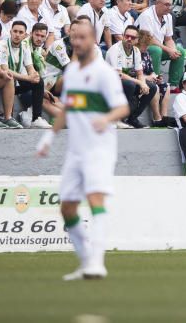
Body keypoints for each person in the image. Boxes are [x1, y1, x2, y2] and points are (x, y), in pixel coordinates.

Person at [35, 19, 131, 280]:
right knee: (67, 208)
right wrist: (49, 137)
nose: (77, 42)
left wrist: (106, 118)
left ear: (92, 40)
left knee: (95, 200)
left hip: (99, 149)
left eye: (82, 38)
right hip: (75, 151)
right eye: (74, 37)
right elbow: (67, 108)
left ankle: (97, 262)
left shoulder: (104, 73)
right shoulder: (72, 73)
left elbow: (123, 108)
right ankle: (86, 260)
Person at [106, 24, 157, 128]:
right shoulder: (115, 49)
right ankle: (118, 118)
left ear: (137, 40)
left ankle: (132, 118)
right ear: (123, 36)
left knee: (151, 87)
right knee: (130, 85)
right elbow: (119, 75)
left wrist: (143, 84)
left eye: (132, 37)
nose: (129, 39)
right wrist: (139, 82)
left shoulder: (136, 51)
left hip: (126, 83)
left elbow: (139, 73)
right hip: (109, 84)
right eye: (127, 36)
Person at [135, 0, 185, 90]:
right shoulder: (147, 15)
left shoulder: (169, 17)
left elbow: (168, 38)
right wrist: (168, 50)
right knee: (156, 50)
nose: (169, 8)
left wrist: (173, 51)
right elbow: (149, 39)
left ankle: (173, 86)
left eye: (170, 5)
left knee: (180, 51)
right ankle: (156, 83)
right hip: (139, 49)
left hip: (157, 47)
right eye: (166, 5)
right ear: (157, 3)